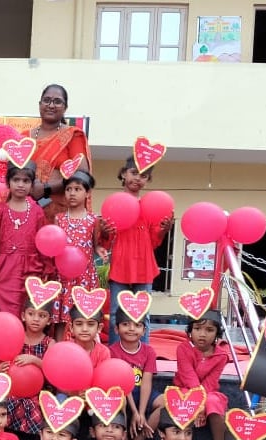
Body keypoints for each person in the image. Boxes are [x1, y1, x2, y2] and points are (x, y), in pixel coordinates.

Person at [106, 156, 173, 344]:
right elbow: (107, 238)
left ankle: (144, 354)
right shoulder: (115, 204)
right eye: (134, 173)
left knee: (143, 314)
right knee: (115, 313)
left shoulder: (151, 206)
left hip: (144, 267)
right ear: (123, 174)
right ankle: (115, 353)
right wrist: (103, 231)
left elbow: (154, 241)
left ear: (148, 180)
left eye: (143, 175)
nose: (137, 178)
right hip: (120, 265)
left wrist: (165, 230)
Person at [152, 309, 229, 440]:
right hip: (184, 388)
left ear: (217, 333)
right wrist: (197, 404)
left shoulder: (221, 355)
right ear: (190, 331)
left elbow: (211, 381)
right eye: (197, 328)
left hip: (208, 392)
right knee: (173, 400)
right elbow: (189, 376)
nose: (202, 334)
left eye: (209, 330)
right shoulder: (183, 348)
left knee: (214, 402)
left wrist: (201, 403)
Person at [0, 162, 50, 317]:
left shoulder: (37, 212)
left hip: (29, 270)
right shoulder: (0, 211)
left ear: (32, 185)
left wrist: (46, 266)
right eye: (16, 180)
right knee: (0, 313)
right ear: (8, 182)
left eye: (26, 181)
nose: (20, 184)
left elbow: (42, 242)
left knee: (25, 309)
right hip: (3, 270)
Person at [51, 171, 108, 341]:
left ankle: (85, 350)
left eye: (77, 189)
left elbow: (95, 245)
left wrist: (100, 249)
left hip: (85, 276)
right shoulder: (59, 219)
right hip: (63, 277)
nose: (72, 193)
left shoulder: (93, 220)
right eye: (68, 189)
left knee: (84, 316)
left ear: (87, 193)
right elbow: (54, 245)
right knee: (62, 318)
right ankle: (60, 348)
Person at [24, 84, 92, 222]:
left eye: (57, 101)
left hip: (61, 216)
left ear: (65, 107)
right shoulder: (23, 137)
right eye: (47, 100)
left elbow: (82, 175)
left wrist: (46, 188)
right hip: (25, 212)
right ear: (40, 104)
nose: (51, 105)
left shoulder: (72, 136)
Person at [108, 302, 164, 440]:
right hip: (123, 393)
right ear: (116, 329)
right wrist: (134, 412)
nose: (132, 328)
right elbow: (121, 384)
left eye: (137, 325)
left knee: (165, 402)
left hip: (142, 392)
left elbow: (146, 382)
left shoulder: (149, 351)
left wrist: (141, 412)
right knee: (119, 399)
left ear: (144, 330)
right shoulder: (112, 352)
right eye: (126, 324)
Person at [3, 293, 54, 440]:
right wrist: (3, 368)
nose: (36, 319)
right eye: (31, 314)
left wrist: (34, 360)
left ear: (49, 320)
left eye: (42, 315)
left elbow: (53, 371)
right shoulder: (15, 338)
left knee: (34, 407)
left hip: (38, 393)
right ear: (23, 315)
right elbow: (5, 360)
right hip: (13, 391)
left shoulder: (49, 343)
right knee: (5, 405)